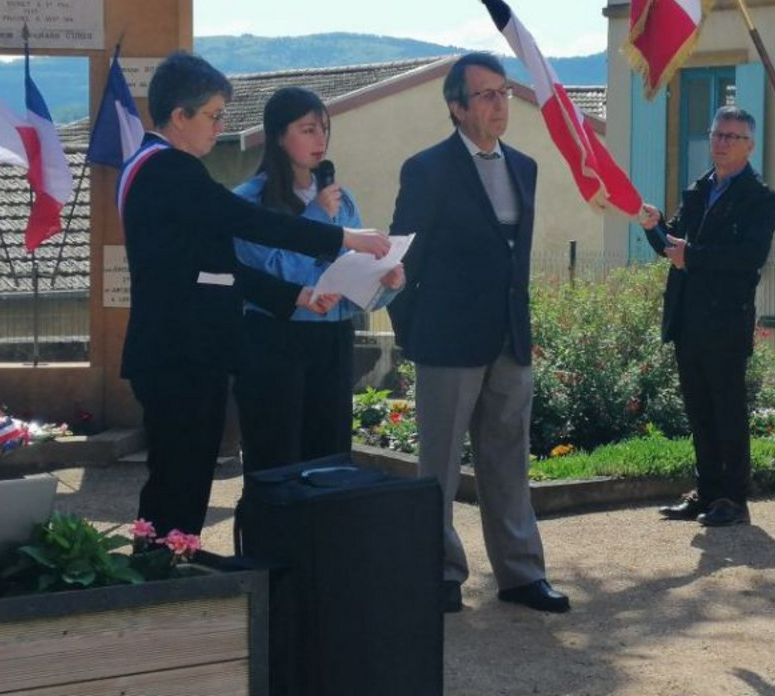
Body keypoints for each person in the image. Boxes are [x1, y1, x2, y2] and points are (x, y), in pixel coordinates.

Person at [120, 51, 390, 538]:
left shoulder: (160, 168)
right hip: (178, 353)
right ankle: (163, 569)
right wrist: (341, 238)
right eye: (213, 116)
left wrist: (295, 295)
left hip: (184, 352)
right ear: (179, 116)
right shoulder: (167, 170)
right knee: (177, 483)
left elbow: (214, 270)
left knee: (185, 480)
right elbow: (249, 221)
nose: (219, 127)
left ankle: (171, 563)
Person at [388, 52, 569, 614]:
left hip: (510, 340)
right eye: (486, 94)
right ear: (457, 107)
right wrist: (414, 333)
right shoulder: (427, 169)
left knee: (509, 462)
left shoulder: (525, 167)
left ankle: (521, 575)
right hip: (446, 341)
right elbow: (403, 262)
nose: (499, 104)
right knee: (438, 468)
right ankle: (438, 574)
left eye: (503, 92)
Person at [232, 87, 404, 472]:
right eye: (308, 129)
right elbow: (274, 271)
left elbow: (351, 276)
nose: (320, 139)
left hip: (333, 338)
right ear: (279, 136)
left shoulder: (342, 199)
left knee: (330, 458)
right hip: (275, 339)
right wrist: (315, 216)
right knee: (277, 456)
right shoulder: (248, 202)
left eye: (324, 129)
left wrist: (385, 282)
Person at [642, 106, 775, 528]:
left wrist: (693, 256)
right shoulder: (698, 190)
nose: (720, 143)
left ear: (749, 146)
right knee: (699, 410)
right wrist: (653, 226)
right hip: (688, 316)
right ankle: (705, 492)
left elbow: (749, 256)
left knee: (727, 409)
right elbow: (673, 247)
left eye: (731, 137)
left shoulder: (760, 197)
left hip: (726, 319)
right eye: (717, 134)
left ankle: (733, 498)